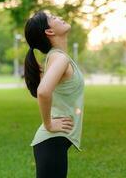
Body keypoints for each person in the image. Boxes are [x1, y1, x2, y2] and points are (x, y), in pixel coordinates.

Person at [23, 10, 85, 178]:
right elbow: (43, 92)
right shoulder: (59, 58)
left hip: (54, 142)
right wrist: (49, 124)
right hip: (52, 140)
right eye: (52, 18)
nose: (59, 17)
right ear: (49, 31)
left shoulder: (57, 57)